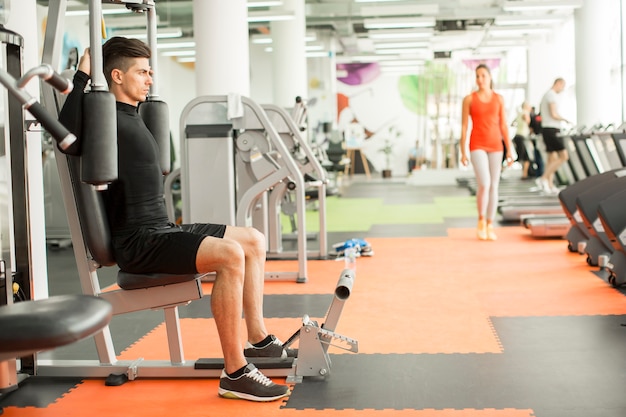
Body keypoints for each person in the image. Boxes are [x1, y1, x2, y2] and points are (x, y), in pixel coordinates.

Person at [58, 37, 291, 402]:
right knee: (230, 255)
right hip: (139, 241)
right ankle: (235, 371)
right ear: (116, 76)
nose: (150, 78)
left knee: (253, 240)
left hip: (162, 229)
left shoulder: (134, 116)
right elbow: (67, 138)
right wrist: (84, 74)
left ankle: (258, 340)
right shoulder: (104, 120)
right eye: (142, 72)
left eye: (151, 71)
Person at [460, 63, 512, 241]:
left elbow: (503, 125)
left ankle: (490, 224)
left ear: (490, 77)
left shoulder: (499, 99)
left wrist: (510, 149)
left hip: (496, 146)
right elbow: (464, 126)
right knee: (485, 183)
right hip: (477, 145)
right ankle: (481, 221)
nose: (480, 79)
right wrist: (462, 151)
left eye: (483, 76)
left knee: (494, 186)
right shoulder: (469, 99)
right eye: (477, 76)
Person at [537, 78, 570, 193]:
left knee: (552, 158)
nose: (563, 89)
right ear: (558, 83)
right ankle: (543, 178)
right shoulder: (551, 95)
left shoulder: (547, 94)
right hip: (551, 129)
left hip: (547, 129)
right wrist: (565, 120)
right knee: (564, 156)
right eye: (563, 86)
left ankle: (550, 185)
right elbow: (553, 114)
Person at [512, 101, 532, 179]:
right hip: (522, 137)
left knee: (521, 156)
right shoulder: (525, 113)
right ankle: (524, 175)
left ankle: (524, 174)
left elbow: (512, 124)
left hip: (517, 136)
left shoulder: (518, 114)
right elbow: (528, 122)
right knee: (526, 157)